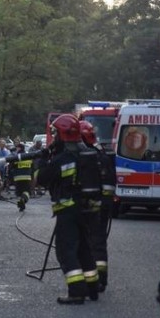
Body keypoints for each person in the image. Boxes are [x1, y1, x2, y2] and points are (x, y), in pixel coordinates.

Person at [35, 114, 100, 304]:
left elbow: (42, 178)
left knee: (66, 251)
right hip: (86, 210)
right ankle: (92, 288)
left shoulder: (62, 159)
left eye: (55, 133)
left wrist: (43, 160)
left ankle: (77, 291)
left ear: (63, 134)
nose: (54, 137)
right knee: (84, 249)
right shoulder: (86, 153)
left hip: (67, 210)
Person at [80, 120, 116, 292]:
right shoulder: (103, 154)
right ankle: (101, 280)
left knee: (87, 243)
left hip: (90, 208)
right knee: (99, 244)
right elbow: (110, 183)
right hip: (104, 206)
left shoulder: (86, 156)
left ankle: (90, 280)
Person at [11, 143, 33, 211]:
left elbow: (12, 166)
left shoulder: (16, 156)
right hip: (27, 177)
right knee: (27, 192)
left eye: (17, 148)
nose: (16, 149)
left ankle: (22, 203)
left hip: (18, 178)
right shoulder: (28, 156)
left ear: (19, 148)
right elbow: (33, 166)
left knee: (20, 192)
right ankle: (22, 201)